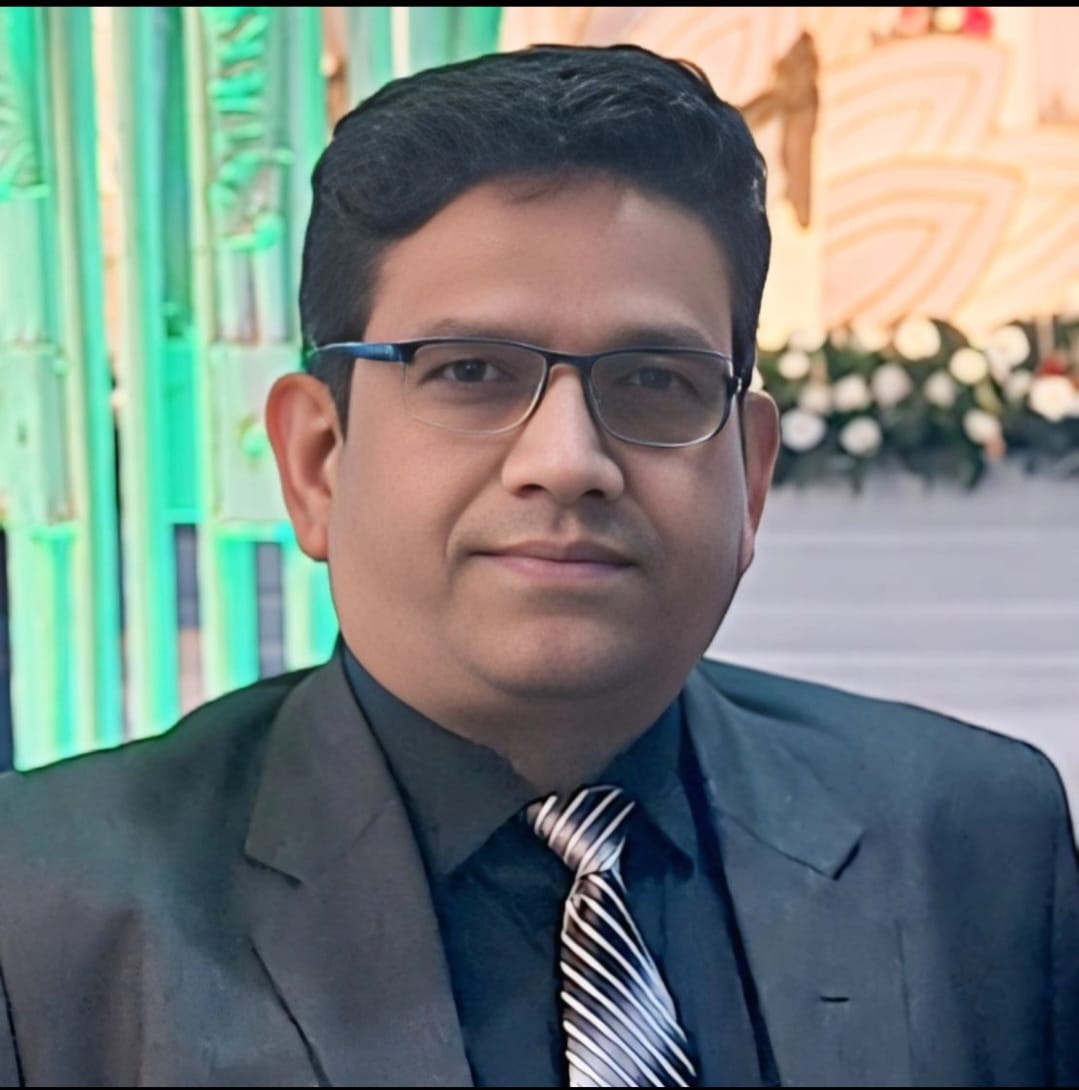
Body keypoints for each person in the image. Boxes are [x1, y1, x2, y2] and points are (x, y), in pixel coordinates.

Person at [0, 43, 1075, 1088]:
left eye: (652, 381)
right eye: (470, 371)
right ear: (318, 462)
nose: (566, 462)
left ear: (748, 476)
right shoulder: (45, 913)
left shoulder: (970, 844)